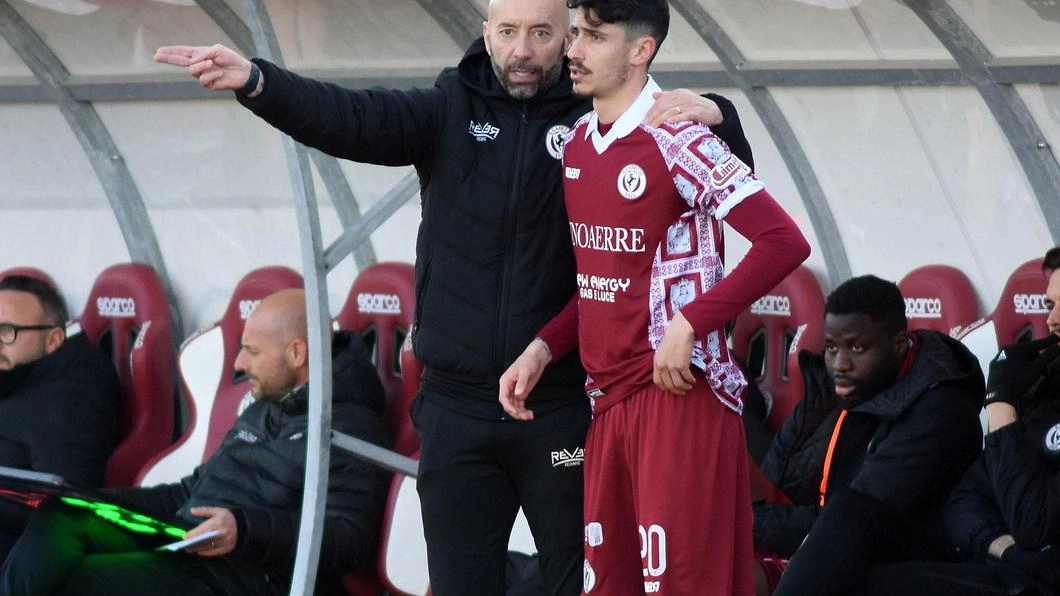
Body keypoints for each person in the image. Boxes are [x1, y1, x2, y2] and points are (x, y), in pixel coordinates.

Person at [152, 1, 754, 593]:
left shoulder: (600, 113)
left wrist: (721, 114)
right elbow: (352, 118)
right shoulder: (450, 106)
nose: (524, 50)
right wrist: (258, 83)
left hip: (565, 405)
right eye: (510, 32)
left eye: (544, 33)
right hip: (456, 410)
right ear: (486, 32)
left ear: (568, 36)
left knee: (586, 584)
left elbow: (712, 166)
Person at [499, 1, 809, 593]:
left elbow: (782, 241)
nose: (574, 49)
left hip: (678, 395)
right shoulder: (579, 143)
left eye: (594, 36)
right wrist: (543, 347)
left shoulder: (679, 138)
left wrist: (692, 322)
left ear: (641, 51)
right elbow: (603, 282)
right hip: (607, 402)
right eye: (576, 34)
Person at [0, 289, 391, 596]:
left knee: (78, 579)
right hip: (189, 541)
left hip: (252, 573)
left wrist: (243, 528)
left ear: (296, 353)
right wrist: (97, 501)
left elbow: (349, 538)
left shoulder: (349, 427)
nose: (238, 364)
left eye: (251, 352)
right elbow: (193, 490)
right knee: (60, 516)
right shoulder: (265, 407)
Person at [818, 248, 1060, 596]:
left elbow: (1034, 523)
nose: (1052, 321)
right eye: (1050, 305)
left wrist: (1001, 404)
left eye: (856, 348)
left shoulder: (942, 404)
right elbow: (964, 501)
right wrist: (1006, 549)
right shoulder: (1044, 390)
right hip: (1006, 568)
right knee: (860, 565)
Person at [751, 275, 984, 596]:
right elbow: (773, 479)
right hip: (829, 543)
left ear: (899, 345)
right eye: (832, 347)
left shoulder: (939, 410)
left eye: (857, 347)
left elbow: (853, 521)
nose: (840, 364)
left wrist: (753, 523)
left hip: (921, 559)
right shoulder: (838, 386)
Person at [0, 275, 120, 560]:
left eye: (6, 331)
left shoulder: (69, 397)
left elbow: (62, 505)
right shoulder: (17, 372)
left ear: (53, 339)